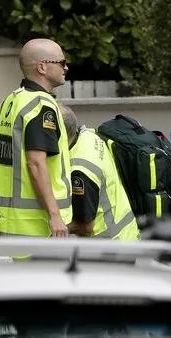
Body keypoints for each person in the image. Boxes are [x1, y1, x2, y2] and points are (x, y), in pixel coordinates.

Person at [0, 38, 72, 238]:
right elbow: (35, 163)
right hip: (34, 223)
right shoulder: (40, 106)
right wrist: (55, 216)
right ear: (42, 67)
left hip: (9, 217)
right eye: (61, 62)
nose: (65, 67)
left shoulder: (13, 100)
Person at [59, 103, 140, 240]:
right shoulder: (88, 136)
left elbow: (85, 226)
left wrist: (52, 229)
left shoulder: (80, 171)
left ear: (61, 135)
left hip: (110, 247)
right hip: (126, 237)